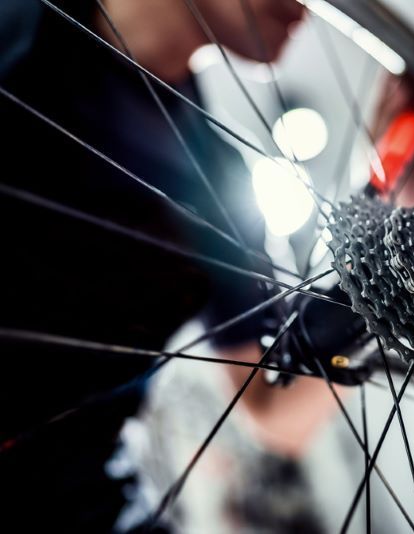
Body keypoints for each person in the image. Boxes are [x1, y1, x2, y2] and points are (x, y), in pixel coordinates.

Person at [0, 0, 351, 531]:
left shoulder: (218, 180)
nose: (313, 8)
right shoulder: (20, 21)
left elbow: (274, 411)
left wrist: (402, 252)